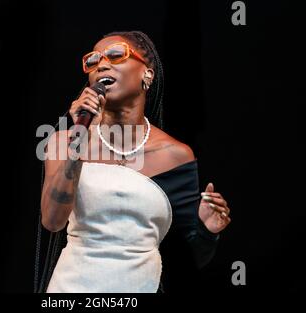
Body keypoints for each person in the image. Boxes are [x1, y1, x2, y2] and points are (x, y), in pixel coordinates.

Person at [34, 31, 231, 293]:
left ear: (147, 75)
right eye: (92, 61)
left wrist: (207, 230)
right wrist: (81, 136)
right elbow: (52, 221)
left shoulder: (175, 155)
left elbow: (186, 260)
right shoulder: (64, 141)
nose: (101, 64)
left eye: (116, 55)